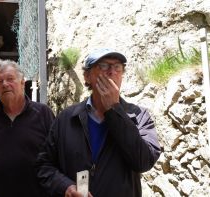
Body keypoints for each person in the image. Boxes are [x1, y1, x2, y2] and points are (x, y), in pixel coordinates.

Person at [36, 48, 161, 197]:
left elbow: (144, 162)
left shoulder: (139, 116)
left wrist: (114, 109)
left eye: (117, 67)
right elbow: (44, 165)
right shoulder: (66, 118)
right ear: (87, 76)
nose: (111, 72)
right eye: (103, 66)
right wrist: (65, 187)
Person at [0, 59, 55, 197]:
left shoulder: (43, 114)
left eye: (10, 79)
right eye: (0, 82)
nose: (5, 84)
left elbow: (57, 159)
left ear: (22, 82)